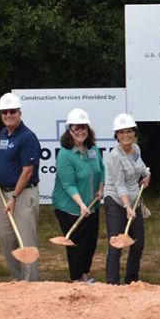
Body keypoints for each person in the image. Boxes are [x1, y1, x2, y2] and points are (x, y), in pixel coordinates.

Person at [0, 92, 41, 282]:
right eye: (5, 112)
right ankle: (18, 280)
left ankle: (30, 282)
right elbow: (4, 152)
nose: (8, 115)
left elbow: (27, 171)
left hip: (22, 195)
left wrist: (14, 198)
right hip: (4, 193)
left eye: (12, 112)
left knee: (26, 242)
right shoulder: (4, 134)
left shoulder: (27, 137)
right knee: (6, 240)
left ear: (19, 113)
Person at [52, 108, 105, 284]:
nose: (81, 131)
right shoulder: (65, 154)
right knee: (76, 243)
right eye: (76, 128)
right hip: (70, 207)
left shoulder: (94, 149)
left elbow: (101, 169)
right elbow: (68, 184)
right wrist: (81, 204)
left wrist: (101, 187)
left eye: (83, 128)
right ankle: (76, 279)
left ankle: (84, 276)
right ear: (70, 130)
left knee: (90, 242)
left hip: (92, 204)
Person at [104, 113, 151, 285]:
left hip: (134, 200)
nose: (126, 135)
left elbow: (141, 166)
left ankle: (131, 280)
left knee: (137, 243)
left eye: (129, 131)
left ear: (134, 132)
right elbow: (119, 185)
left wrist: (146, 175)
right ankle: (112, 283)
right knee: (116, 243)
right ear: (116, 135)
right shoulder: (114, 156)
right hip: (117, 200)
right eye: (121, 132)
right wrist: (126, 206)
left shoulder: (136, 149)